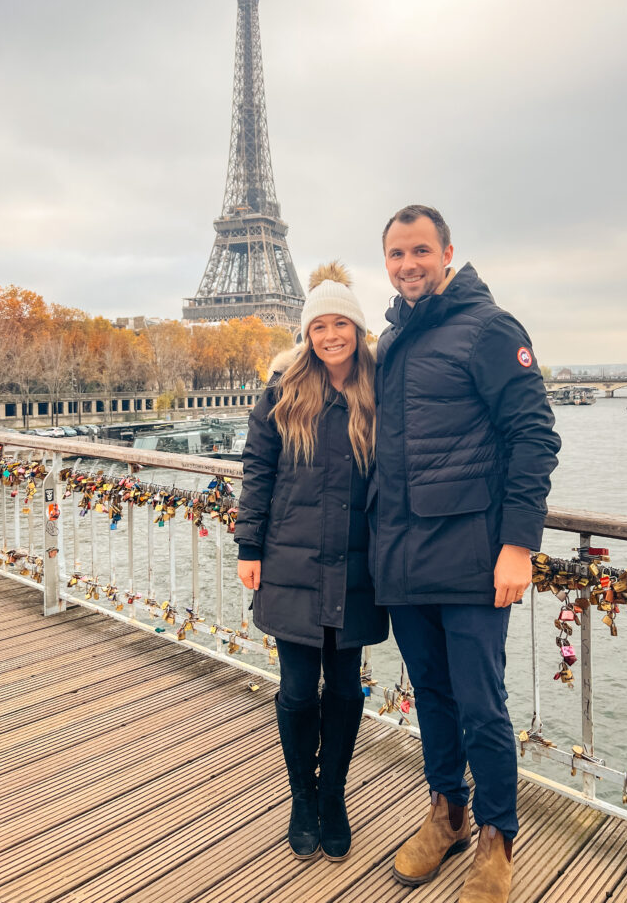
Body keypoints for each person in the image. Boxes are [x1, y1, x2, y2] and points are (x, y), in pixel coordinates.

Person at [371, 205, 560, 902]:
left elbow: (535, 437)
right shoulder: (390, 340)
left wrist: (518, 545)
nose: (409, 264)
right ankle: (446, 811)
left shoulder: (490, 328)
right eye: (396, 254)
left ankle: (497, 837)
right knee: (434, 699)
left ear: (448, 252)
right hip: (403, 556)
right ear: (385, 262)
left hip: (472, 555)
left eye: (421, 250)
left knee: (482, 705)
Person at [235, 262, 388, 863]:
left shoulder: (379, 392)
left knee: (346, 687)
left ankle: (333, 795)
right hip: (291, 559)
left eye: (340, 324)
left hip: (356, 565)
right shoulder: (279, 392)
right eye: (318, 326)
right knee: (298, 689)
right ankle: (302, 796)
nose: (330, 335)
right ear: (306, 333)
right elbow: (258, 472)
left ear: (357, 328)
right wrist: (249, 548)